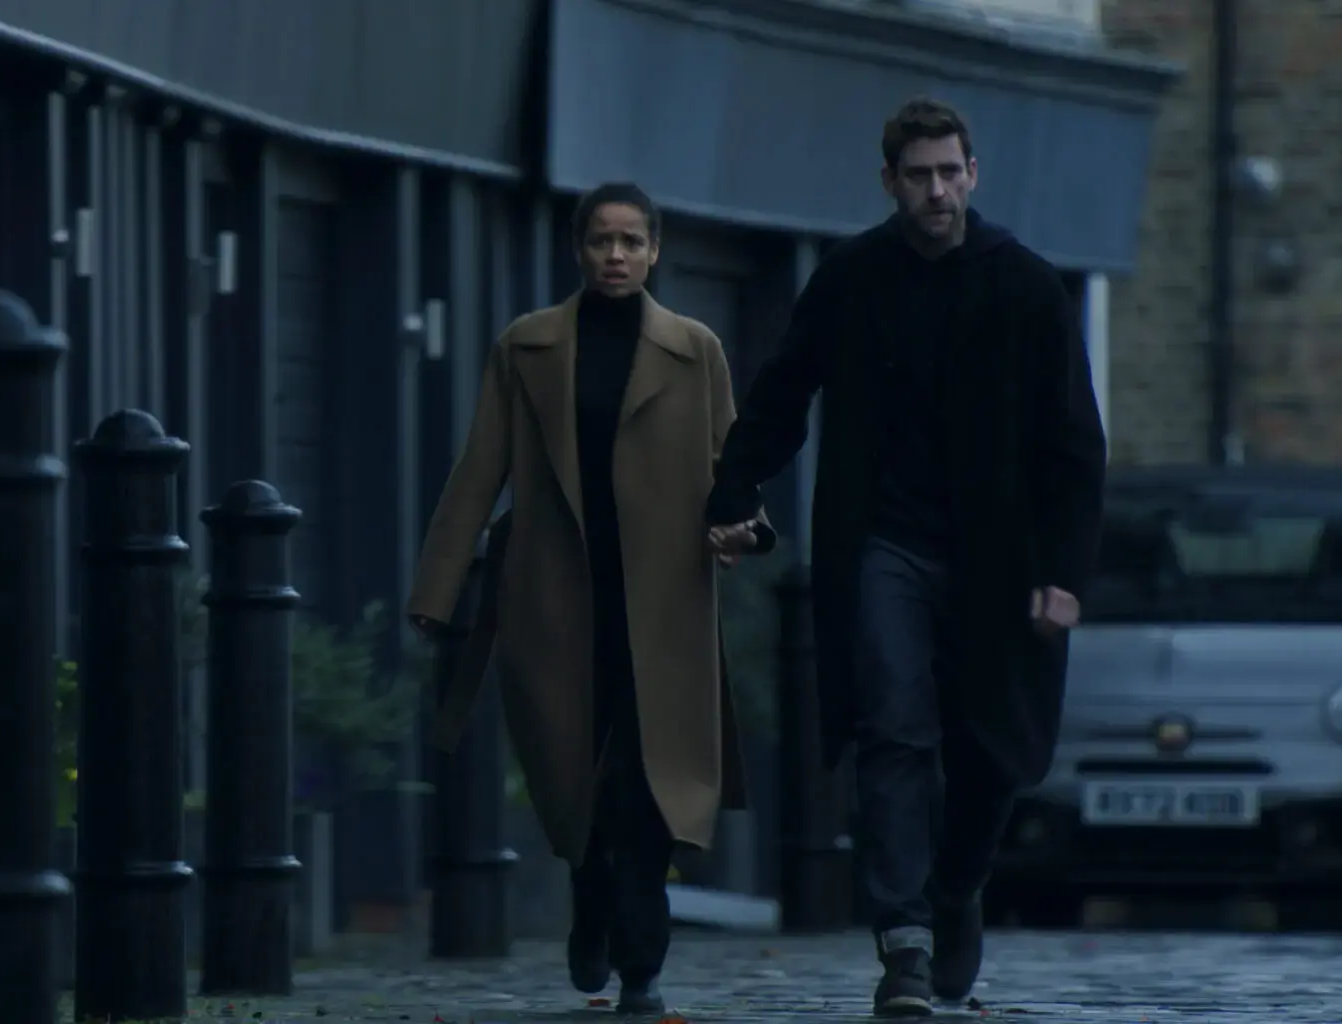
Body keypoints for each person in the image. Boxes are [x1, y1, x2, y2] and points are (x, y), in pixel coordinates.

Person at [703, 97, 1106, 1017]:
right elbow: (782, 393)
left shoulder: (1025, 286)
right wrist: (732, 491)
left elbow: (1074, 445)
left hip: (1001, 558)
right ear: (889, 182)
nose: (937, 190)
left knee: (990, 754)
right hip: (884, 543)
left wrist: (1065, 574)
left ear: (974, 174)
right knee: (892, 728)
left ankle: (956, 888)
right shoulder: (851, 278)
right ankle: (906, 943)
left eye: (949, 172)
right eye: (918, 175)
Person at [409, 182, 770, 1016]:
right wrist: (438, 587)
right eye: (601, 240)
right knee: (575, 774)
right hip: (556, 598)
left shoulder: (695, 350)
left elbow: (733, 464)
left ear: (654, 252)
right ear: (578, 249)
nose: (616, 255)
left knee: (649, 782)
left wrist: (747, 529)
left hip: (665, 603)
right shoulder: (528, 347)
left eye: (631, 241)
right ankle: (590, 888)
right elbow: (480, 467)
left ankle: (642, 962)